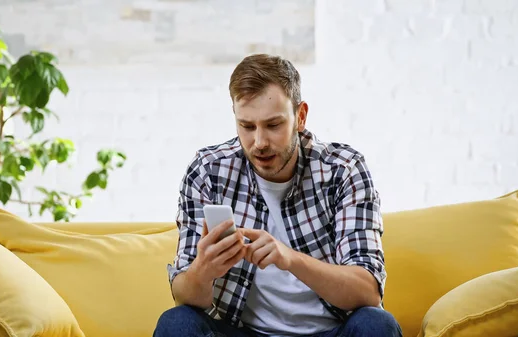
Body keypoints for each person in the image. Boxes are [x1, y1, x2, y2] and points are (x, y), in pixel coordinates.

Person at [154, 54, 402, 337]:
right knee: (177, 323)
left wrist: (290, 259)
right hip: (242, 332)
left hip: (331, 332)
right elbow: (184, 296)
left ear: (300, 116)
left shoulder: (343, 169)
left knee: (377, 325)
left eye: (273, 125)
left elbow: (368, 292)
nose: (259, 143)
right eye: (247, 126)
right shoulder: (209, 171)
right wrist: (204, 269)